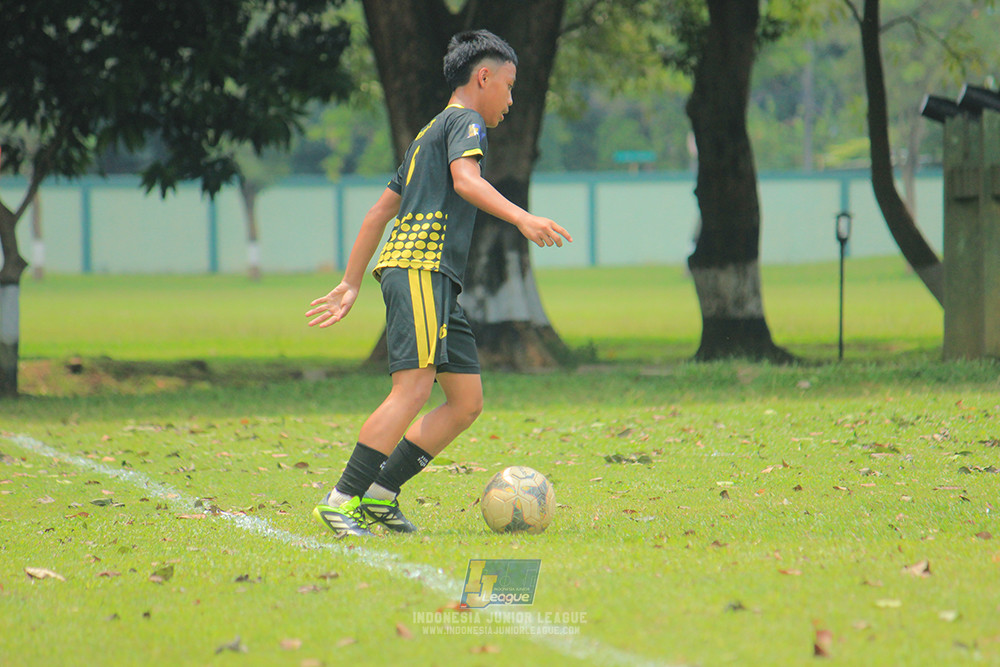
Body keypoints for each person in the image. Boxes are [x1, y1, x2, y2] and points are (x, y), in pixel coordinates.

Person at [305, 29, 572, 536]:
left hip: (432, 279)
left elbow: (380, 211)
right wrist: (523, 219)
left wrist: (351, 281)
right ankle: (340, 499)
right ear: (484, 76)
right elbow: (466, 182)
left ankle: (381, 494)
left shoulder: (429, 131)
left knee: (466, 400)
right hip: (420, 270)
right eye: (509, 87)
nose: (511, 101)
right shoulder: (466, 122)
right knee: (411, 390)